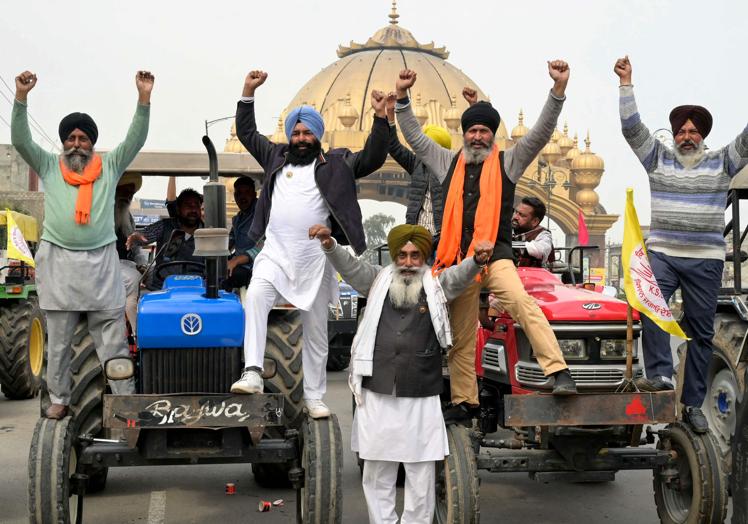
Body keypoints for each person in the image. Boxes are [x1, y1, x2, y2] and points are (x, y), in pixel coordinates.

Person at [395, 62, 577, 424]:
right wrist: (402, 97)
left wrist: (557, 91)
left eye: (484, 131)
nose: (477, 137)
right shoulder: (446, 162)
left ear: (492, 136)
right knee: (461, 337)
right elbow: (414, 135)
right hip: (458, 263)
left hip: (496, 256)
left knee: (522, 303)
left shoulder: (508, 163)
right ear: (464, 134)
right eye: (472, 131)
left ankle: (558, 371)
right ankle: (467, 402)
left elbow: (540, 134)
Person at [228, 70, 390, 419]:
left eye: (307, 133)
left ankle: (315, 398)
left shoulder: (339, 163)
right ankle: (253, 371)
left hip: (315, 259)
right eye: (296, 133)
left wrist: (380, 117)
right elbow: (246, 132)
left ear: (318, 136)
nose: (301, 138)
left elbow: (374, 157)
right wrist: (248, 92)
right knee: (256, 296)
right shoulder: (275, 156)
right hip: (275, 253)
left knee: (316, 331)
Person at [310, 222, 493, 523]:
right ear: (394, 257)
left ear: (424, 258)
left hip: (420, 388)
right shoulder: (377, 279)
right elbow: (352, 266)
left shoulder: (436, 285)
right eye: (403, 256)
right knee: (377, 466)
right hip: (378, 388)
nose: (408, 263)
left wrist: (477, 261)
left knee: (420, 467)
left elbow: (459, 277)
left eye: (415, 256)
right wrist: (329, 244)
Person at [615, 55, 748, 433]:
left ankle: (692, 405)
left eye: (693, 131)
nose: (686, 136)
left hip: (705, 259)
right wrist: (626, 83)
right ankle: (661, 377)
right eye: (681, 131)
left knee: (701, 332)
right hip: (663, 254)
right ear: (673, 135)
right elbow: (630, 129)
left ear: (702, 136)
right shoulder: (657, 158)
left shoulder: (723, 161)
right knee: (651, 306)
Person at [11, 70, 153, 419]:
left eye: (83, 138)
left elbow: (134, 139)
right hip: (58, 263)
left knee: (112, 340)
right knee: (58, 342)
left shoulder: (110, 167)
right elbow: (20, 140)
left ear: (92, 143)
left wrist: (144, 99)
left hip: (101, 264)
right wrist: (20, 97)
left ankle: (124, 402)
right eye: (71, 138)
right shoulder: (48, 164)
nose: (77, 143)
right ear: (64, 143)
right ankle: (60, 399)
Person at [127, 188, 204, 290]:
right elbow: (146, 234)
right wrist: (136, 236)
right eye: (188, 205)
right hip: (162, 287)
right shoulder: (165, 226)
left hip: (198, 288)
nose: (193, 210)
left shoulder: (208, 232)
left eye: (196, 206)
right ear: (178, 208)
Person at [115, 173, 148, 332]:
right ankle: (137, 334)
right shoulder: (102, 215)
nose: (128, 196)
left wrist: (143, 265)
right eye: (125, 191)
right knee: (133, 279)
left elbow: (136, 247)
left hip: (125, 266)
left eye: (131, 193)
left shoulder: (127, 216)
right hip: (104, 266)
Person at [223, 176, 258, 290]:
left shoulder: (262, 214)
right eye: (238, 193)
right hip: (240, 264)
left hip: (255, 267)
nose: (242, 197)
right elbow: (231, 240)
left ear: (254, 194)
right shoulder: (238, 219)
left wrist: (236, 260)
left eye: (247, 192)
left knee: (227, 278)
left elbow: (265, 245)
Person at [512, 196, 554, 267]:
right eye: (516, 212)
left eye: (522, 215)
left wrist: (506, 246)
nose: (515, 217)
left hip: (531, 276)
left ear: (535, 221)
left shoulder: (543, 235)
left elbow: (540, 250)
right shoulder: (506, 228)